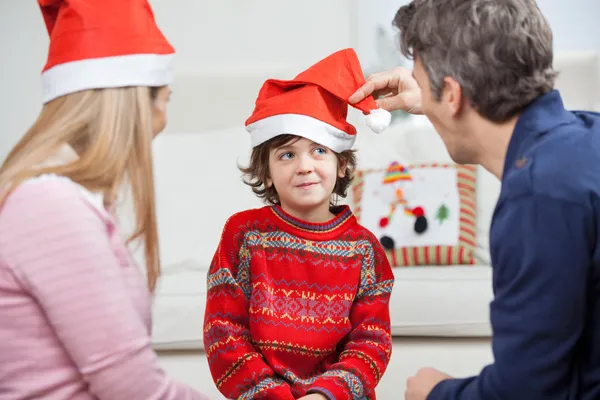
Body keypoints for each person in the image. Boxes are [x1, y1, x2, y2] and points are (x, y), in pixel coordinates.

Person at [350, 0, 600, 399]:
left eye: (425, 82)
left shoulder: (538, 198)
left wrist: (437, 393)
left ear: (452, 93)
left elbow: (527, 393)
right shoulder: (586, 138)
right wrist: (430, 98)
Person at [0, 1, 211, 399]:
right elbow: (134, 389)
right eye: (164, 98)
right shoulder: (51, 207)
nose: (165, 117)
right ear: (131, 105)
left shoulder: (66, 199)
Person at [202, 48, 395, 400]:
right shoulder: (243, 235)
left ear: (341, 165)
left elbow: (371, 343)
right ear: (267, 173)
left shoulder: (364, 249)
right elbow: (223, 332)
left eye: (319, 150)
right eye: (287, 155)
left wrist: (324, 395)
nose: (304, 166)